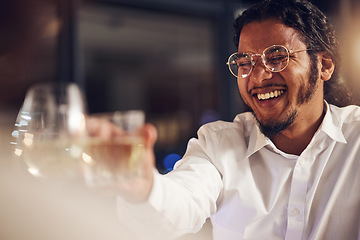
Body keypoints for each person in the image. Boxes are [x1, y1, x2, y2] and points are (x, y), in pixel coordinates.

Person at [91, 0, 360, 239]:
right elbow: (181, 202)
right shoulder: (219, 145)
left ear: (324, 65)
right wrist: (144, 188)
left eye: (277, 57)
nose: (258, 77)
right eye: (245, 63)